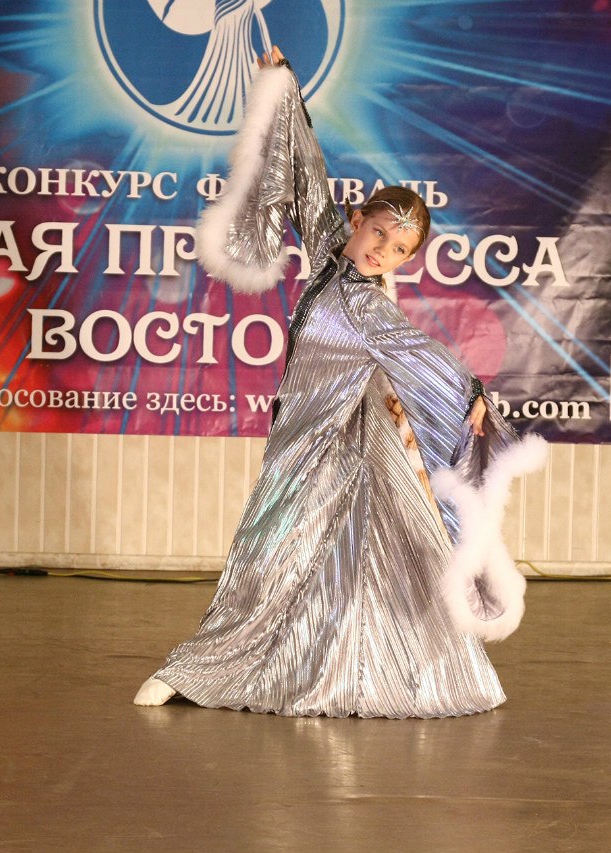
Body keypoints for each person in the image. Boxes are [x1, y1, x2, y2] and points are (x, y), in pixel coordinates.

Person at [134, 47, 547, 718]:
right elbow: (307, 173)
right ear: (357, 222)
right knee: (286, 557)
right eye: (379, 233)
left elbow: (423, 354)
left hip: (338, 446)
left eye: (398, 249)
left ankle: (205, 671)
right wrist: (282, 85)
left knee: (280, 554)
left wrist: (471, 393)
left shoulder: (368, 306)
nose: (383, 250)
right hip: (306, 439)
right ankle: (243, 667)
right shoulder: (331, 247)